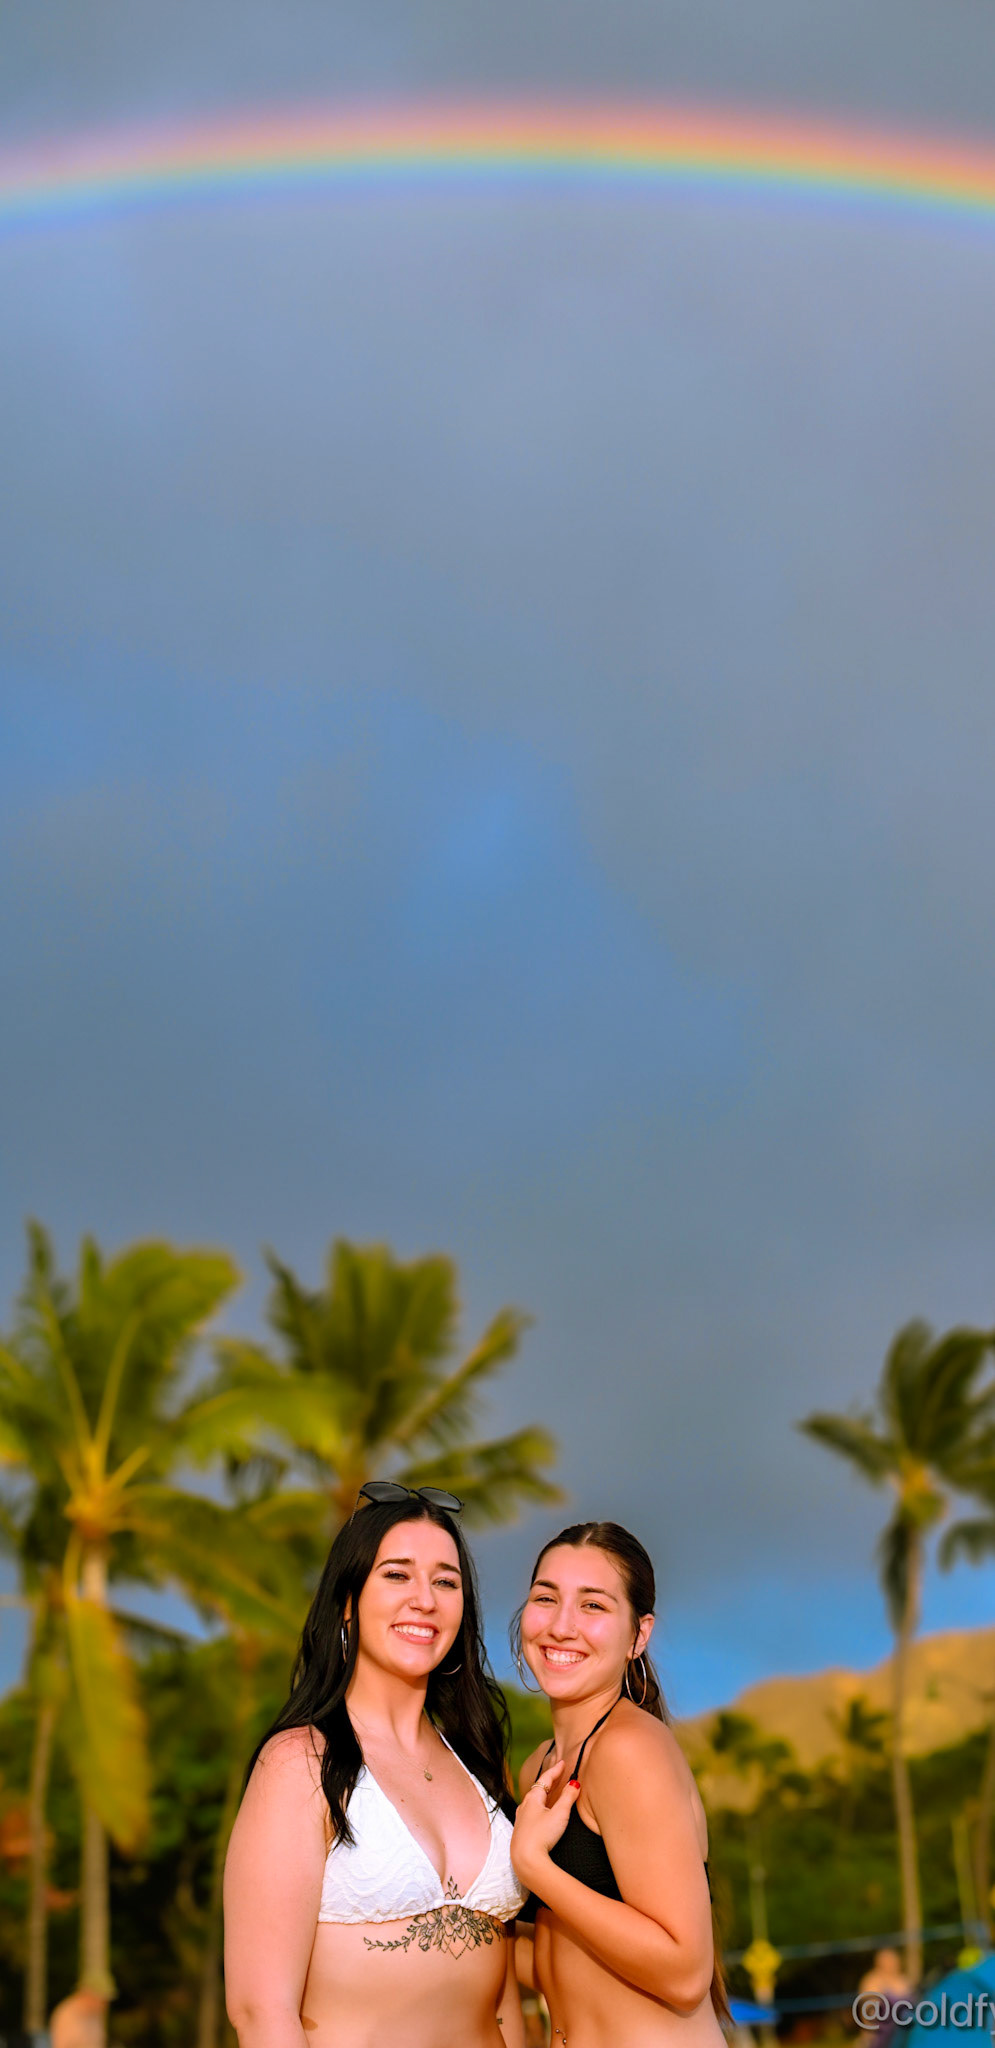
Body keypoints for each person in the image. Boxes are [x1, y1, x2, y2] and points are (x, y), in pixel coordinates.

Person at [224, 1481, 526, 2048]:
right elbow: (260, 2010)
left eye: (445, 1581)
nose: (425, 1598)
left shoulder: (478, 1764)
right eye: (396, 1574)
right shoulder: (301, 1763)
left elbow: (502, 1994)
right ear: (347, 1600)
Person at [510, 1520, 728, 2048]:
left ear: (639, 1634)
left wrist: (536, 1867)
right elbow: (563, 1962)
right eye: (547, 1598)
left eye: (593, 1606)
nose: (562, 1626)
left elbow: (683, 1973)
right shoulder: (539, 1767)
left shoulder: (630, 1750)